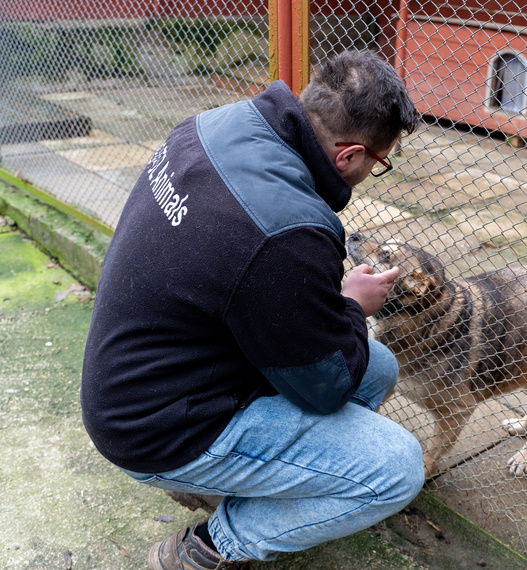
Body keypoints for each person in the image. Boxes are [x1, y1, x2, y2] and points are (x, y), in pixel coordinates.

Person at [80, 50, 424, 570]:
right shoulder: (287, 230)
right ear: (349, 156)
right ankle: (211, 545)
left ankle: (250, 480)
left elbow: (249, 280)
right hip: (156, 427)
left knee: (378, 370)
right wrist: (351, 304)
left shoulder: (215, 124)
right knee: (396, 468)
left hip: (138, 378)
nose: (372, 172)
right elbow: (326, 387)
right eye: (380, 163)